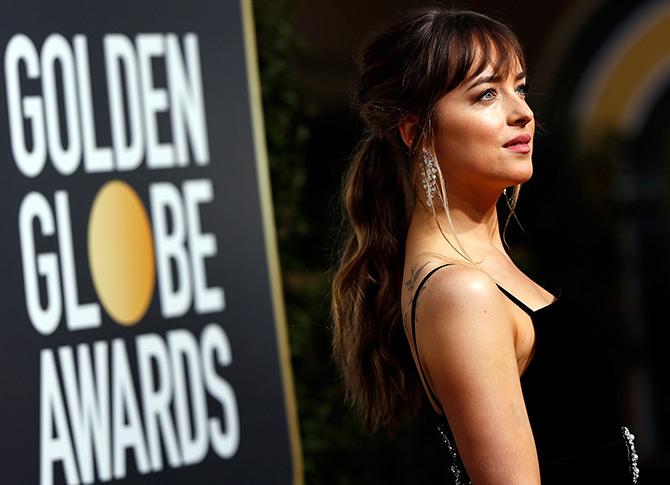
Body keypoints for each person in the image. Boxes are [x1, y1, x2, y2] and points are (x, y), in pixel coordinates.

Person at [331, 7, 640, 484]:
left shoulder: (478, 262)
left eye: (519, 87)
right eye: (487, 94)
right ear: (416, 132)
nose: (523, 112)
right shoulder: (461, 292)